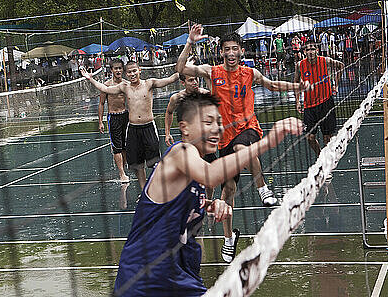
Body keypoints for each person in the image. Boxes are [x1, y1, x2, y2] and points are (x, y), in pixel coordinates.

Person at [114, 92, 304, 296]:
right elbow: (212, 175)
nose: (217, 128)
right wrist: (267, 142)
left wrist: (210, 204)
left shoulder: (194, 169)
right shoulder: (181, 152)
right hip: (144, 278)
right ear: (184, 127)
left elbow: (179, 201)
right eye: (208, 122)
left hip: (180, 275)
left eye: (219, 121)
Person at [176, 24, 309, 263]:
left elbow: (273, 85)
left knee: (242, 148)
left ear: (241, 51)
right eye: (226, 49)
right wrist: (190, 42)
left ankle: (262, 188)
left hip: (248, 128)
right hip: (223, 137)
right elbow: (180, 68)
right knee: (228, 191)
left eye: (234, 49)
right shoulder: (212, 72)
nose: (230, 53)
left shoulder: (250, 73)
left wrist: (297, 87)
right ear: (222, 52)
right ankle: (229, 238)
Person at [81, 62, 179, 190]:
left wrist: (183, 69)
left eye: (134, 71)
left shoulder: (149, 83)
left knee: (154, 162)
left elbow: (170, 79)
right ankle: (144, 191)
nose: (132, 74)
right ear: (126, 74)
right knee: (138, 165)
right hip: (133, 129)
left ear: (139, 70)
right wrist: (91, 79)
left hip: (148, 127)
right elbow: (105, 89)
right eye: (129, 72)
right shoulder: (124, 87)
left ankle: (157, 190)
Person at [294, 42, 343, 159]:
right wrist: (297, 101)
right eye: (307, 50)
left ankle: (326, 161)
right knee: (310, 137)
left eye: (312, 49)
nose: (310, 52)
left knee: (327, 137)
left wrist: (336, 85)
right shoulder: (300, 65)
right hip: (309, 106)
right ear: (304, 52)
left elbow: (341, 66)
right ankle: (320, 156)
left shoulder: (325, 61)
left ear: (317, 50)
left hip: (326, 102)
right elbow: (296, 83)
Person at [98, 59, 130, 183]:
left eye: (120, 68)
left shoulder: (126, 84)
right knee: (117, 147)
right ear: (111, 70)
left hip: (125, 116)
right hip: (113, 117)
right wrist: (100, 121)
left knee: (126, 146)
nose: (118, 71)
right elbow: (101, 103)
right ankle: (121, 173)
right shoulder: (106, 85)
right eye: (115, 68)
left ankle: (125, 166)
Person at [164, 71, 208, 147]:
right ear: (183, 83)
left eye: (196, 79)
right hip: (187, 137)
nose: (195, 82)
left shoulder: (205, 94)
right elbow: (169, 112)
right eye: (191, 80)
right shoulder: (177, 98)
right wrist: (167, 133)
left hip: (204, 137)